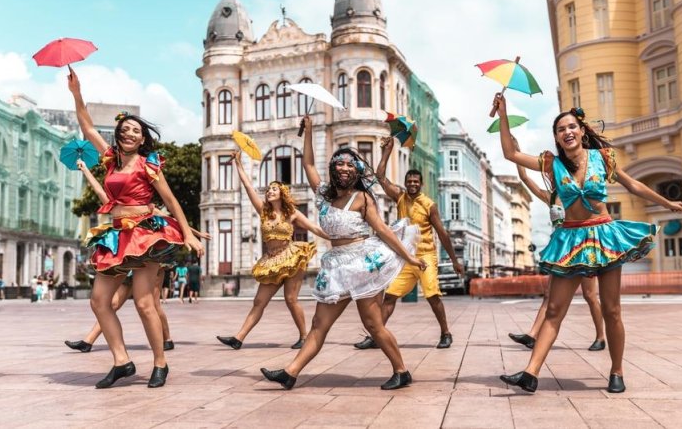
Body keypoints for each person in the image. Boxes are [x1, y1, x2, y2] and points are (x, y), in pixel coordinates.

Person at [493, 95, 682, 394]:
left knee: (612, 310)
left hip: (604, 235)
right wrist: (503, 114)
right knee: (555, 310)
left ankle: (617, 370)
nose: (567, 132)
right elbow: (509, 153)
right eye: (560, 129)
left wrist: (668, 203)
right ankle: (530, 373)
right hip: (570, 239)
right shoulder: (551, 164)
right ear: (556, 137)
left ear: (582, 131)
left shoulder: (603, 158)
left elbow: (633, 184)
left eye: (572, 126)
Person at [260, 116, 426, 391]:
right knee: (318, 324)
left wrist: (408, 257)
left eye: (350, 164)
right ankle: (290, 373)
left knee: (373, 325)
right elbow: (309, 164)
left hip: (362, 263)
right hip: (336, 267)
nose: (345, 167)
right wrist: (310, 132)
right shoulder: (324, 194)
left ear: (358, 170)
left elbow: (383, 230)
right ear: (333, 167)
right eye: (340, 162)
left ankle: (401, 370)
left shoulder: (363, 198)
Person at [68, 66, 203, 389]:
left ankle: (160, 362)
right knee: (99, 301)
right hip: (116, 236)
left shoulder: (149, 165)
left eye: (135, 131)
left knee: (144, 303)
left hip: (145, 234)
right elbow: (87, 127)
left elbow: (171, 201)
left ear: (143, 139)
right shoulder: (110, 159)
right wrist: (77, 94)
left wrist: (188, 235)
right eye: (124, 129)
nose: (128, 134)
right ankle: (121, 360)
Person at [66, 160, 210, 354]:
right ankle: (88, 341)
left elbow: (173, 221)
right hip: (126, 255)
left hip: (149, 255)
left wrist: (193, 233)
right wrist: (86, 171)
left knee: (151, 304)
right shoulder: (117, 205)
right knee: (114, 303)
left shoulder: (149, 209)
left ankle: (166, 339)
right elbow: (102, 194)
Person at [353, 136, 464, 351]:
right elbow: (380, 177)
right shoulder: (400, 197)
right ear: (406, 183)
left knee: (432, 296)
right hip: (405, 257)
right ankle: (376, 335)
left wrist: (454, 260)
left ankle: (445, 333)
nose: (412, 184)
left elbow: (442, 233)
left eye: (416, 182)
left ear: (421, 184)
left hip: (425, 257)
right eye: (409, 181)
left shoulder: (428, 205)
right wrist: (387, 151)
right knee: (391, 296)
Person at [216, 150, 326, 350]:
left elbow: (315, 228)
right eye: (268, 189)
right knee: (259, 301)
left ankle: (304, 336)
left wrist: (338, 237)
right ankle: (238, 338)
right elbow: (249, 187)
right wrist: (239, 164)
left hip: (292, 257)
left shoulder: (291, 213)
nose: (270, 191)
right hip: (272, 260)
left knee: (291, 299)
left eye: (274, 189)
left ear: (282, 193)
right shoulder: (263, 212)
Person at [508, 139, 605, 352]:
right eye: (551, 175)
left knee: (590, 295)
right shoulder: (550, 197)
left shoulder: (577, 192)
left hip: (584, 247)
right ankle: (532, 335)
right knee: (549, 295)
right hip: (562, 251)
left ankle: (601, 335)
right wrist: (517, 152)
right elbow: (525, 178)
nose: (553, 176)